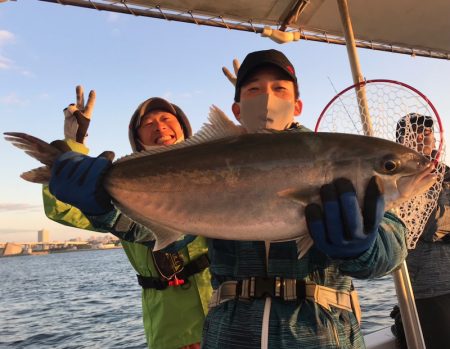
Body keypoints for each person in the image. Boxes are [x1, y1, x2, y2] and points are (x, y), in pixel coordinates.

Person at [47, 50, 410, 349]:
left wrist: (363, 248)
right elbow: (154, 232)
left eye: (279, 89)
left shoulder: (336, 155)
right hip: (231, 334)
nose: (267, 97)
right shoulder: (217, 155)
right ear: (236, 110)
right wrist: (102, 208)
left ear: (297, 106)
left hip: (321, 333)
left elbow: (390, 250)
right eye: (253, 90)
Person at [42, 88, 212, 349]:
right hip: (171, 332)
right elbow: (63, 209)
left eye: (167, 119)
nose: (159, 126)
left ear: (183, 129)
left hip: (231, 320)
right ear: (137, 138)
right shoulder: (120, 185)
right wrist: (73, 142)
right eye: (148, 123)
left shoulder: (216, 173)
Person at [391, 113, 450, 349]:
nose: (422, 136)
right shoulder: (397, 177)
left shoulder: (447, 173)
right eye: (414, 132)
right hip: (426, 292)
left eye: (427, 132)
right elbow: (430, 225)